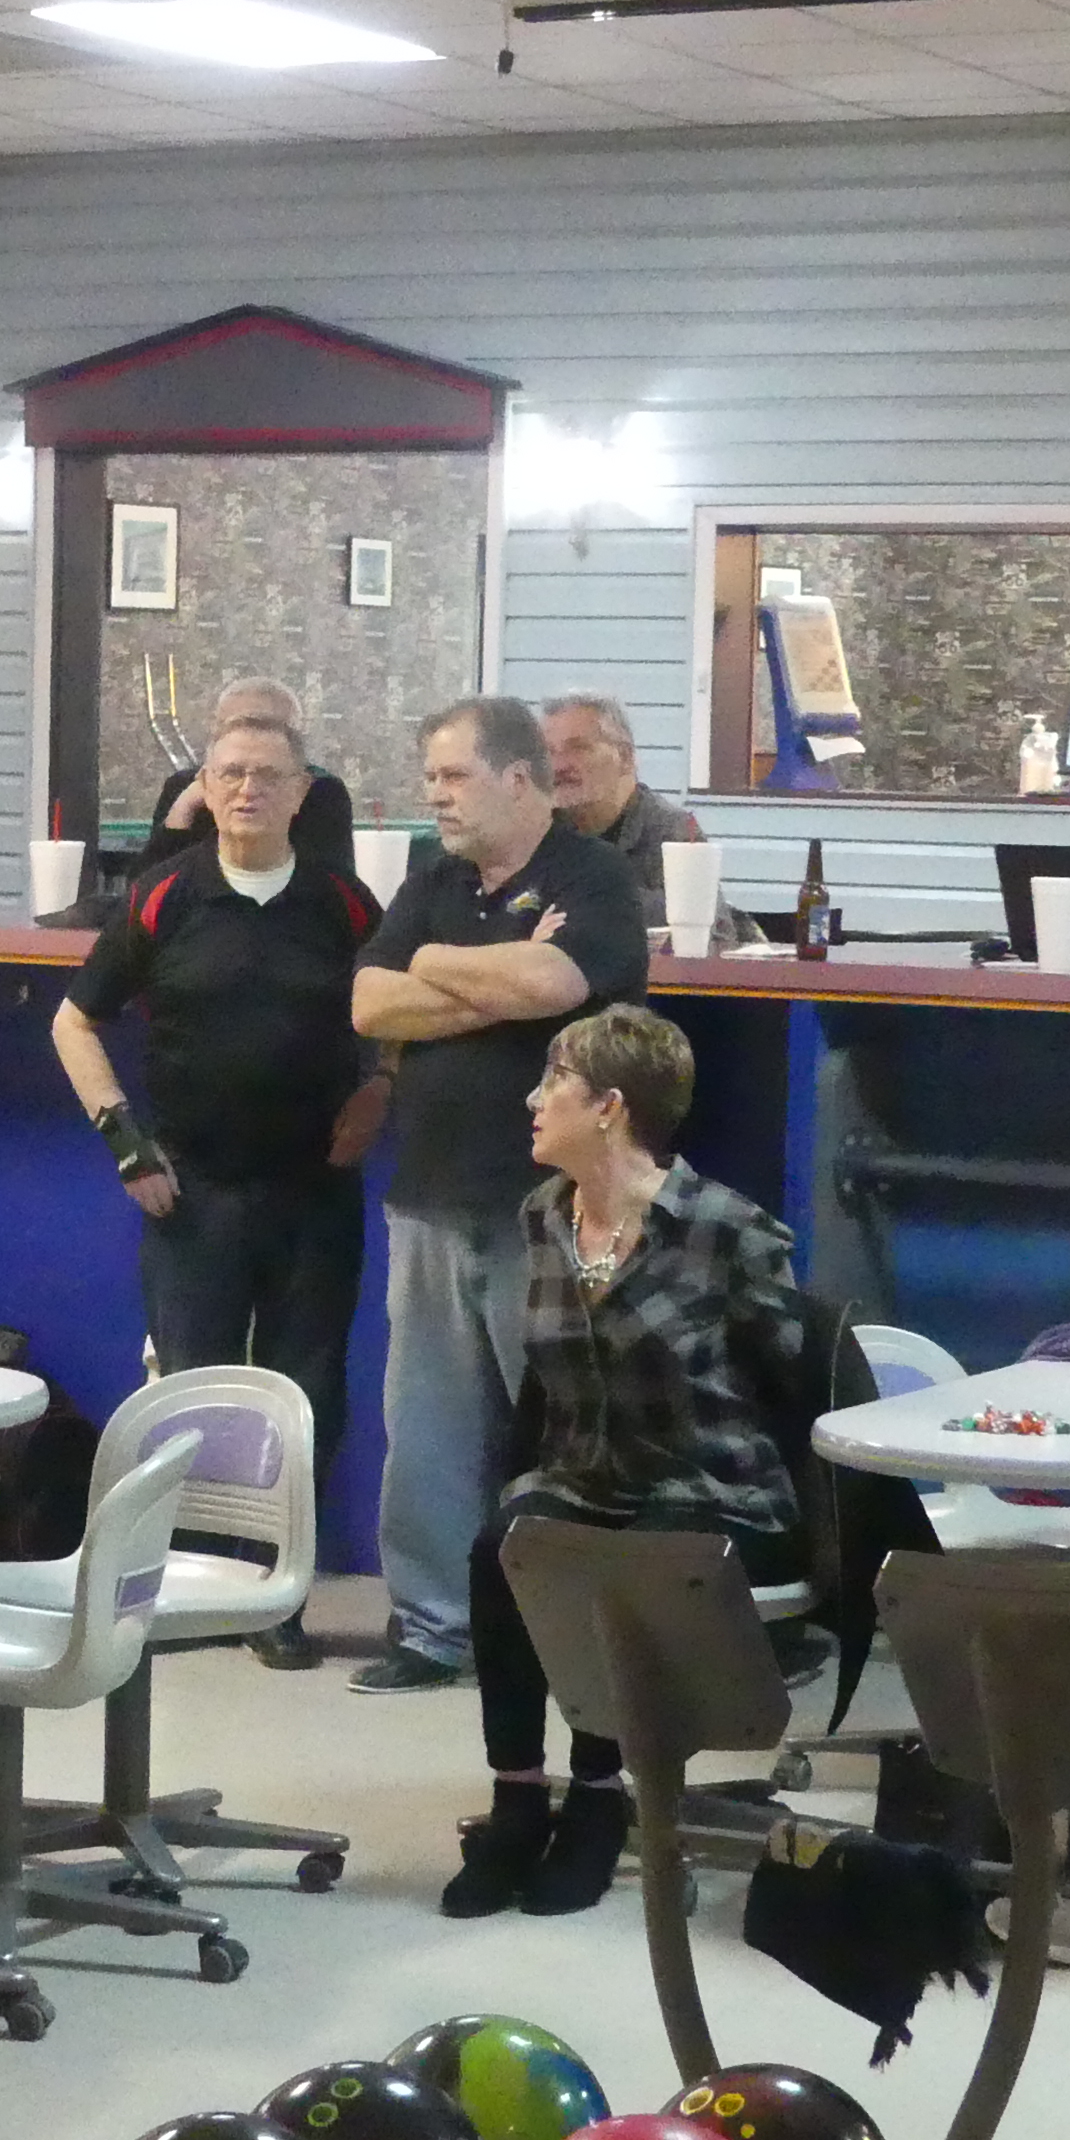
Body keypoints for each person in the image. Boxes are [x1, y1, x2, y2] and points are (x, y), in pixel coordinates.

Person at [439, 1004, 803, 1919]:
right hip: (583, 1473)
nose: (532, 1100)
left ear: (609, 1107)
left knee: (614, 1565)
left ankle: (599, 1801)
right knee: (502, 1548)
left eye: (553, 1082)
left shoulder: (727, 1228)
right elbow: (544, 1383)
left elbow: (794, 1382)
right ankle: (518, 1799)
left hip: (705, 1481)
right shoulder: (543, 1217)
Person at [56, 710, 388, 1670]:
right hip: (191, 1193)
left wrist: (381, 1087)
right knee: (190, 1395)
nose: (248, 790)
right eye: (231, 773)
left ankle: (277, 1598)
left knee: (306, 1398)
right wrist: (127, 1145)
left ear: (302, 794)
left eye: (269, 775)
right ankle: (183, 1589)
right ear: (204, 787)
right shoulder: (163, 896)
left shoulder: (345, 903)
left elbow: (398, 1009)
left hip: (315, 1192)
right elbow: (74, 1024)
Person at [348, 696, 649, 1695]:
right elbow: (370, 1002)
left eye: (452, 776)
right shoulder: (432, 880)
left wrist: (435, 964)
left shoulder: (590, 876)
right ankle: (432, 1629)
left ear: (517, 781)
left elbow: (558, 987)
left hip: (554, 1205)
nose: (434, 795)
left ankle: (572, 1635)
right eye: (430, 777)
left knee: (564, 1429)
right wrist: (485, 978)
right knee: (426, 1433)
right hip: (430, 1196)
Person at [539, 693, 730, 931]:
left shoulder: (669, 832)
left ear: (626, 758)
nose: (558, 766)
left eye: (578, 748)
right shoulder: (538, 831)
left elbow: (713, 932)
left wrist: (596, 900)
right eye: (548, 752)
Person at [134, 674, 356, 877]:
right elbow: (143, 891)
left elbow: (335, 885)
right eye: (239, 725)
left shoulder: (321, 790)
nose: (248, 788)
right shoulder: (183, 785)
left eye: (268, 727)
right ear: (216, 729)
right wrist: (183, 810)